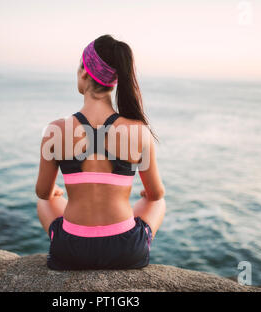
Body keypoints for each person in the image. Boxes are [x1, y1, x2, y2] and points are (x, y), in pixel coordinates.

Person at [35, 34, 166, 270]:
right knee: (159, 203)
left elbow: (43, 193)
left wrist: (54, 192)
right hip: (125, 251)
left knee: (44, 203)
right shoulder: (139, 131)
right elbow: (156, 194)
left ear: (84, 73)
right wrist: (146, 196)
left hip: (71, 251)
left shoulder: (55, 130)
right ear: (115, 80)